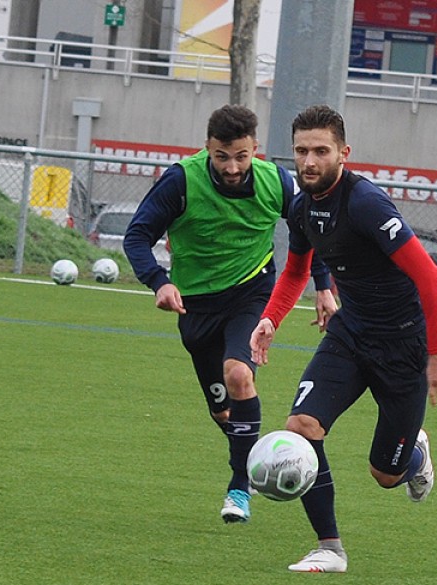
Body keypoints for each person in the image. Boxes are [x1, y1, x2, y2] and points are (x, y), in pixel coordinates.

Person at [250, 104, 437, 573]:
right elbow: (296, 272)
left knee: (385, 474)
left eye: (321, 151)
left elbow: (428, 276)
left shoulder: (365, 203)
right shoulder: (301, 207)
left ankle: (414, 451)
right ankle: (330, 547)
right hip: (350, 333)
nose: (309, 161)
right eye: (301, 151)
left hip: (403, 345)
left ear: (343, 153)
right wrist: (270, 319)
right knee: (301, 426)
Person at [124, 104, 338, 524]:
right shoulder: (181, 181)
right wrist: (159, 281)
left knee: (238, 375)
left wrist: (323, 285)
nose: (232, 167)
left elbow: (310, 228)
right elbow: (137, 236)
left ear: (255, 149)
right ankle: (259, 457)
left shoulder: (276, 182)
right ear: (207, 148)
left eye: (241, 156)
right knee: (225, 412)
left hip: (252, 294)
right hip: (195, 305)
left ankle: (240, 487)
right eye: (222, 157)